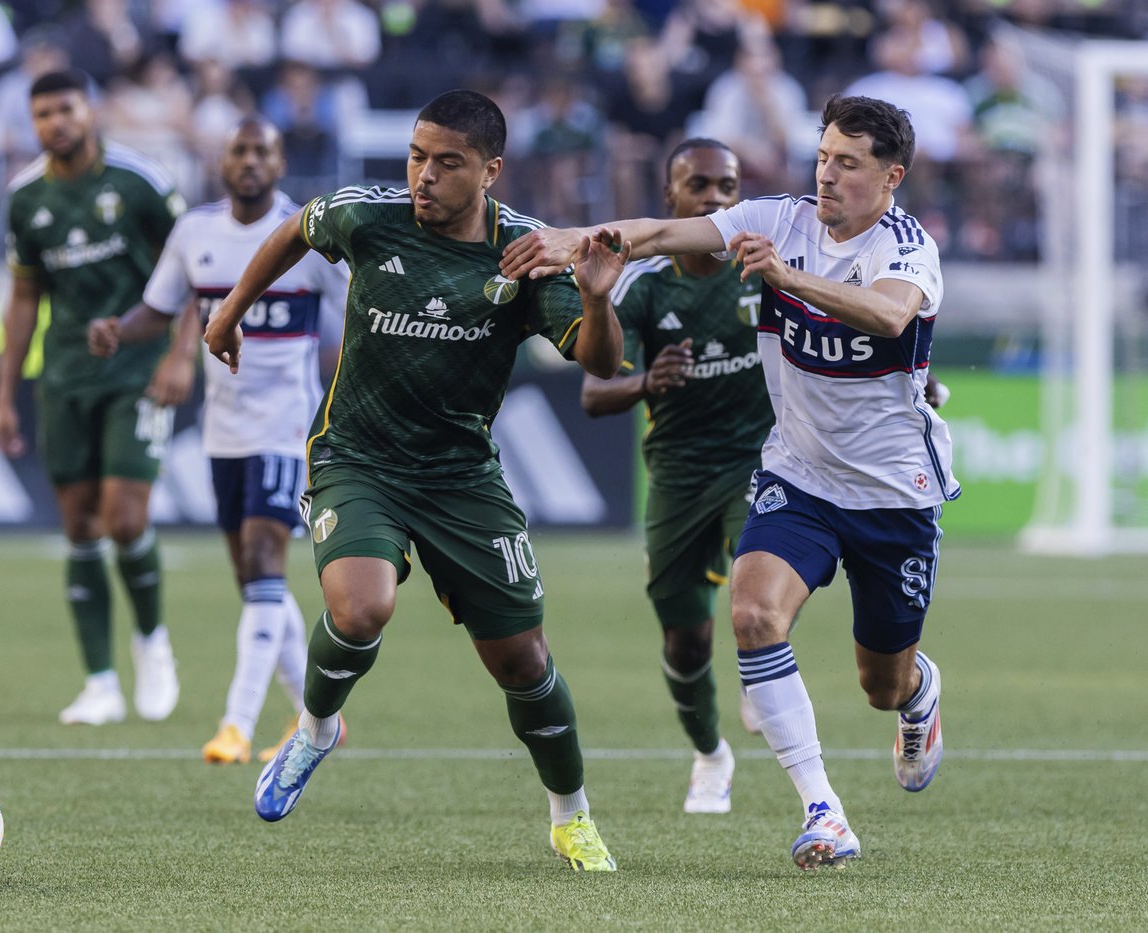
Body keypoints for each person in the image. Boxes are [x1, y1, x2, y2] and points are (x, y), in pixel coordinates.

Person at [502, 95, 956, 870]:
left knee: (880, 683)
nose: (827, 174)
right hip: (799, 475)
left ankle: (918, 693)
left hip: (895, 493)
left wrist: (784, 278)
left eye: (849, 163)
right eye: (823, 156)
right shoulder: (779, 219)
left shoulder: (908, 248)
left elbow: (887, 317)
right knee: (751, 613)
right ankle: (823, 810)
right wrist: (578, 238)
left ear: (892, 177)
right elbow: (658, 233)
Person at [203, 89, 625, 871]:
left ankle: (571, 815)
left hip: (462, 476)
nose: (424, 176)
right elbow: (293, 230)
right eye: (416, 156)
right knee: (362, 608)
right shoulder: (368, 216)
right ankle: (316, 728)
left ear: (490, 171)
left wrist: (597, 299)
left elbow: (600, 360)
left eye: (447, 163)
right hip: (357, 458)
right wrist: (230, 311)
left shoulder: (527, 251)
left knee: (524, 663)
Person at [88, 117, 351, 765]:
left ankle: (235, 724)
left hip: (287, 427)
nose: (250, 160)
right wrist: (119, 328)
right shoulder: (195, 232)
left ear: (280, 162)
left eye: (263, 150)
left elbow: (356, 319)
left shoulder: (309, 237)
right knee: (255, 579)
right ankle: (319, 718)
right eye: (240, 151)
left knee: (263, 561)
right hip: (223, 430)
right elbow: (159, 308)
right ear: (222, 162)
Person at [0, 69, 197, 726]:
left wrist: (181, 354)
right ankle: (100, 683)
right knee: (79, 527)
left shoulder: (139, 181)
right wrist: (5, 394)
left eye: (66, 109)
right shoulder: (25, 198)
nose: (55, 123)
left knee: (125, 519)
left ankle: (153, 642)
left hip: (137, 369)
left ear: (90, 111)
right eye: (43, 114)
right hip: (64, 376)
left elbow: (195, 269)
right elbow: (25, 297)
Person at [580, 138, 768, 815]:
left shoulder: (762, 269)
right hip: (679, 473)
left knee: (760, 584)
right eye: (700, 185)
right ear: (671, 197)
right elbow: (594, 393)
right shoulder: (644, 285)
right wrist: (646, 382)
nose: (715, 198)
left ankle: (761, 665)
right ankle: (711, 755)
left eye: (727, 187)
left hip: (760, 460)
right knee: (686, 643)